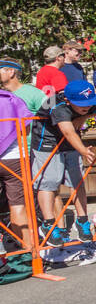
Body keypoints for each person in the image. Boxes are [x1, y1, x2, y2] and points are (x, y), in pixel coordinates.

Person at [29, 80, 96, 246]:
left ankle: (83, 221)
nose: (86, 107)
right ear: (68, 101)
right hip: (47, 144)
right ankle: (49, 224)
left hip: (70, 145)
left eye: (89, 103)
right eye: (81, 105)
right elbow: (68, 131)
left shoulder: (91, 103)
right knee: (49, 182)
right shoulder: (57, 105)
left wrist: (86, 115)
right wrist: (84, 150)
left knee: (77, 181)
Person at [0, 57, 40, 260]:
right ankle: (28, 252)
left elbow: (48, 108)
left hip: (21, 153)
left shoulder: (32, 92)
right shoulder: (10, 99)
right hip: (14, 155)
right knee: (18, 205)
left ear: (11, 71)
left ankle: (24, 250)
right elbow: (24, 123)